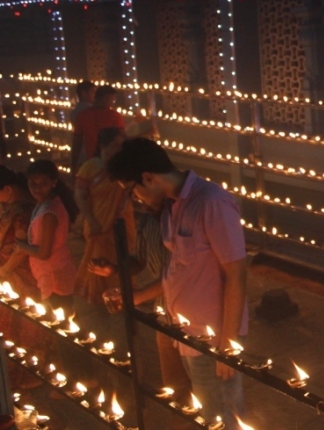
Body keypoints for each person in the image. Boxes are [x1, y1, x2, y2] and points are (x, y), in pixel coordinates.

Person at [106, 138, 248, 429]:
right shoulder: (172, 208)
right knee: (208, 412)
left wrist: (227, 348)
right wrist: (138, 296)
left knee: (223, 415)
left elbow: (237, 274)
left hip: (213, 339)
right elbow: (179, 270)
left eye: (133, 192)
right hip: (186, 331)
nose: (137, 200)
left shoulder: (211, 202)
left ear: (148, 178)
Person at [90, 182, 192, 402]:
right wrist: (116, 269)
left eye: (137, 193)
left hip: (192, 311)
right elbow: (139, 259)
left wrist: (134, 297)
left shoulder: (183, 221)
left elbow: (175, 275)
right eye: (133, 196)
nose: (137, 201)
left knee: (201, 378)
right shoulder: (147, 222)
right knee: (175, 382)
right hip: (165, 312)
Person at [73, 127, 135, 305]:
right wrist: (91, 221)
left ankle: (124, 295)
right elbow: (79, 195)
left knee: (123, 256)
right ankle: (100, 297)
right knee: (99, 260)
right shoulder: (91, 167)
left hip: (123, 221)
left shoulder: (124, 168)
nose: (118, 149)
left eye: (121, 145)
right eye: (115, 145)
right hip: (98, 223)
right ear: (103, 145)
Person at [0, 167, 48, 389]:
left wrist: (5, 270)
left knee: (24, 322)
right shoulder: (16, 206)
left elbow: (20, 249)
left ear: (8, 190)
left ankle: (28, 373)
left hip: (21, 274)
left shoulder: (22, 211)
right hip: (12, 272)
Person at [16, 160, 78, 312]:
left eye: (43, 184)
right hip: (54, 271)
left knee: (61, 320)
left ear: (54, 182)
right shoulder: (45, 202)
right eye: (33, 184)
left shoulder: (49, 213)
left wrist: (20, 245)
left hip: (54, 275)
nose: (37, 189)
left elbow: (44, 253)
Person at [71, 85, 125, 172]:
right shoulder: (114, 115)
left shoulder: (82, 116)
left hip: (91, 162)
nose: (113, 102)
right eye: (113, 99)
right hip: (110, 162)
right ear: (107, 98)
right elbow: (123, 139)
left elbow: (76, 143)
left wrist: (73, 166)